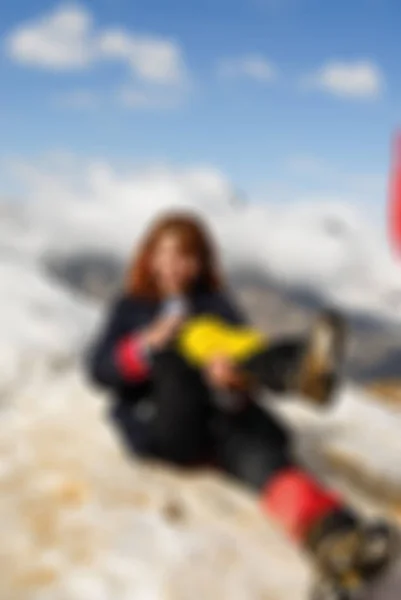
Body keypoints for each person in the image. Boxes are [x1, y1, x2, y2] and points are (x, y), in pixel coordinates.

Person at [87, 211, 394, 599]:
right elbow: (99, 369)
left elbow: (241, 350)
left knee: (269, 461)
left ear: (201, 261)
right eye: (165, 254)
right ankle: (294, 372)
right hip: (168, 424)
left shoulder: (214, 302)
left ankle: (336, 541)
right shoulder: (132, 308)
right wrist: (148, 343)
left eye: (186, 255)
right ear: (149, 258)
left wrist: (232, 377)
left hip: (222, 422)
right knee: (185, 343)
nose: (176, 265)